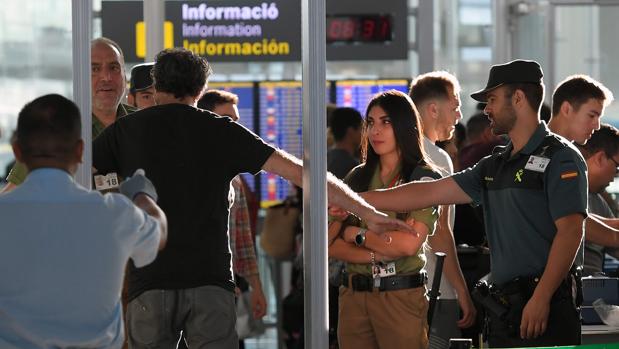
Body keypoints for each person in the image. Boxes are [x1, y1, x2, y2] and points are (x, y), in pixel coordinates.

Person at [92, 48, 408, 348]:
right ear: (200, 90)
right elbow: (304, 174)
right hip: (210, 281)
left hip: (148, 280)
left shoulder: (125, 131)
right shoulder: (222, 131)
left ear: (156, 85)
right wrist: (370, 214)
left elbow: (76, 172)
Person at [363, 60, 588, 348]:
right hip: (506, 309)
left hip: (546, 306)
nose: (486, 110)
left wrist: (541, 297)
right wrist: (355, 199)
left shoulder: (561, 157)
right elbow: (427, 193)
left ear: (518, 99)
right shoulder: (494, 165)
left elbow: (570, 232)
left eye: (492, 99)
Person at [0, 94, 167, 348]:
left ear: (18, 152)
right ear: (80, 151)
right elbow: (160, 234)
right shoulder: (114, 214)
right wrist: (142, 195)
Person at [328, 90, 439, 349]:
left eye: (385, 122)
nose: (375, 131)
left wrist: (356, 236)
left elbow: (407, 246)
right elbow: (329, 244)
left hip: (400, 297)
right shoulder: (356, 177)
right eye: (370, 122)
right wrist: (375, 252)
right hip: (353, 297)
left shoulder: (422, 177)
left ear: (404, 125)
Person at [1, 37, 135, 193]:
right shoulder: (55, 128)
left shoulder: (145, 122)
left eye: (114, 68)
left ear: (124, 76)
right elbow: (12, 194)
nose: (106, 77)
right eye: (95, 69)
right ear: (79, 78)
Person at [408, 71, 475, 349]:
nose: (459, 115)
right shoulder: (435, 158)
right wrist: (462, 291)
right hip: (436, 287)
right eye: (455, 105)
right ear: (433, 109)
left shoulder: (396, 153)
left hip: (402, 289)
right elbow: (439, 233)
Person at [197, 89, 267, 346]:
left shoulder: (234, 178)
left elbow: (243, 239)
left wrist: (255, 285)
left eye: (236, 121)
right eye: (227, 120)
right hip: (204, 287)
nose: (234, 128)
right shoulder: (188, 170)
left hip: (229, 288)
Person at [576, 124, 619, 276]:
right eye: (617, 167)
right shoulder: (563, 191)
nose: (615, 175)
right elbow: (576, 222)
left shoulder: (599, 201)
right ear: (600, 158)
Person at [327, 107, 363, 180]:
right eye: (361, 128)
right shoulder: (352, 167)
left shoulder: (324, 158)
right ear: (351, 131)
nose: (363, 134)